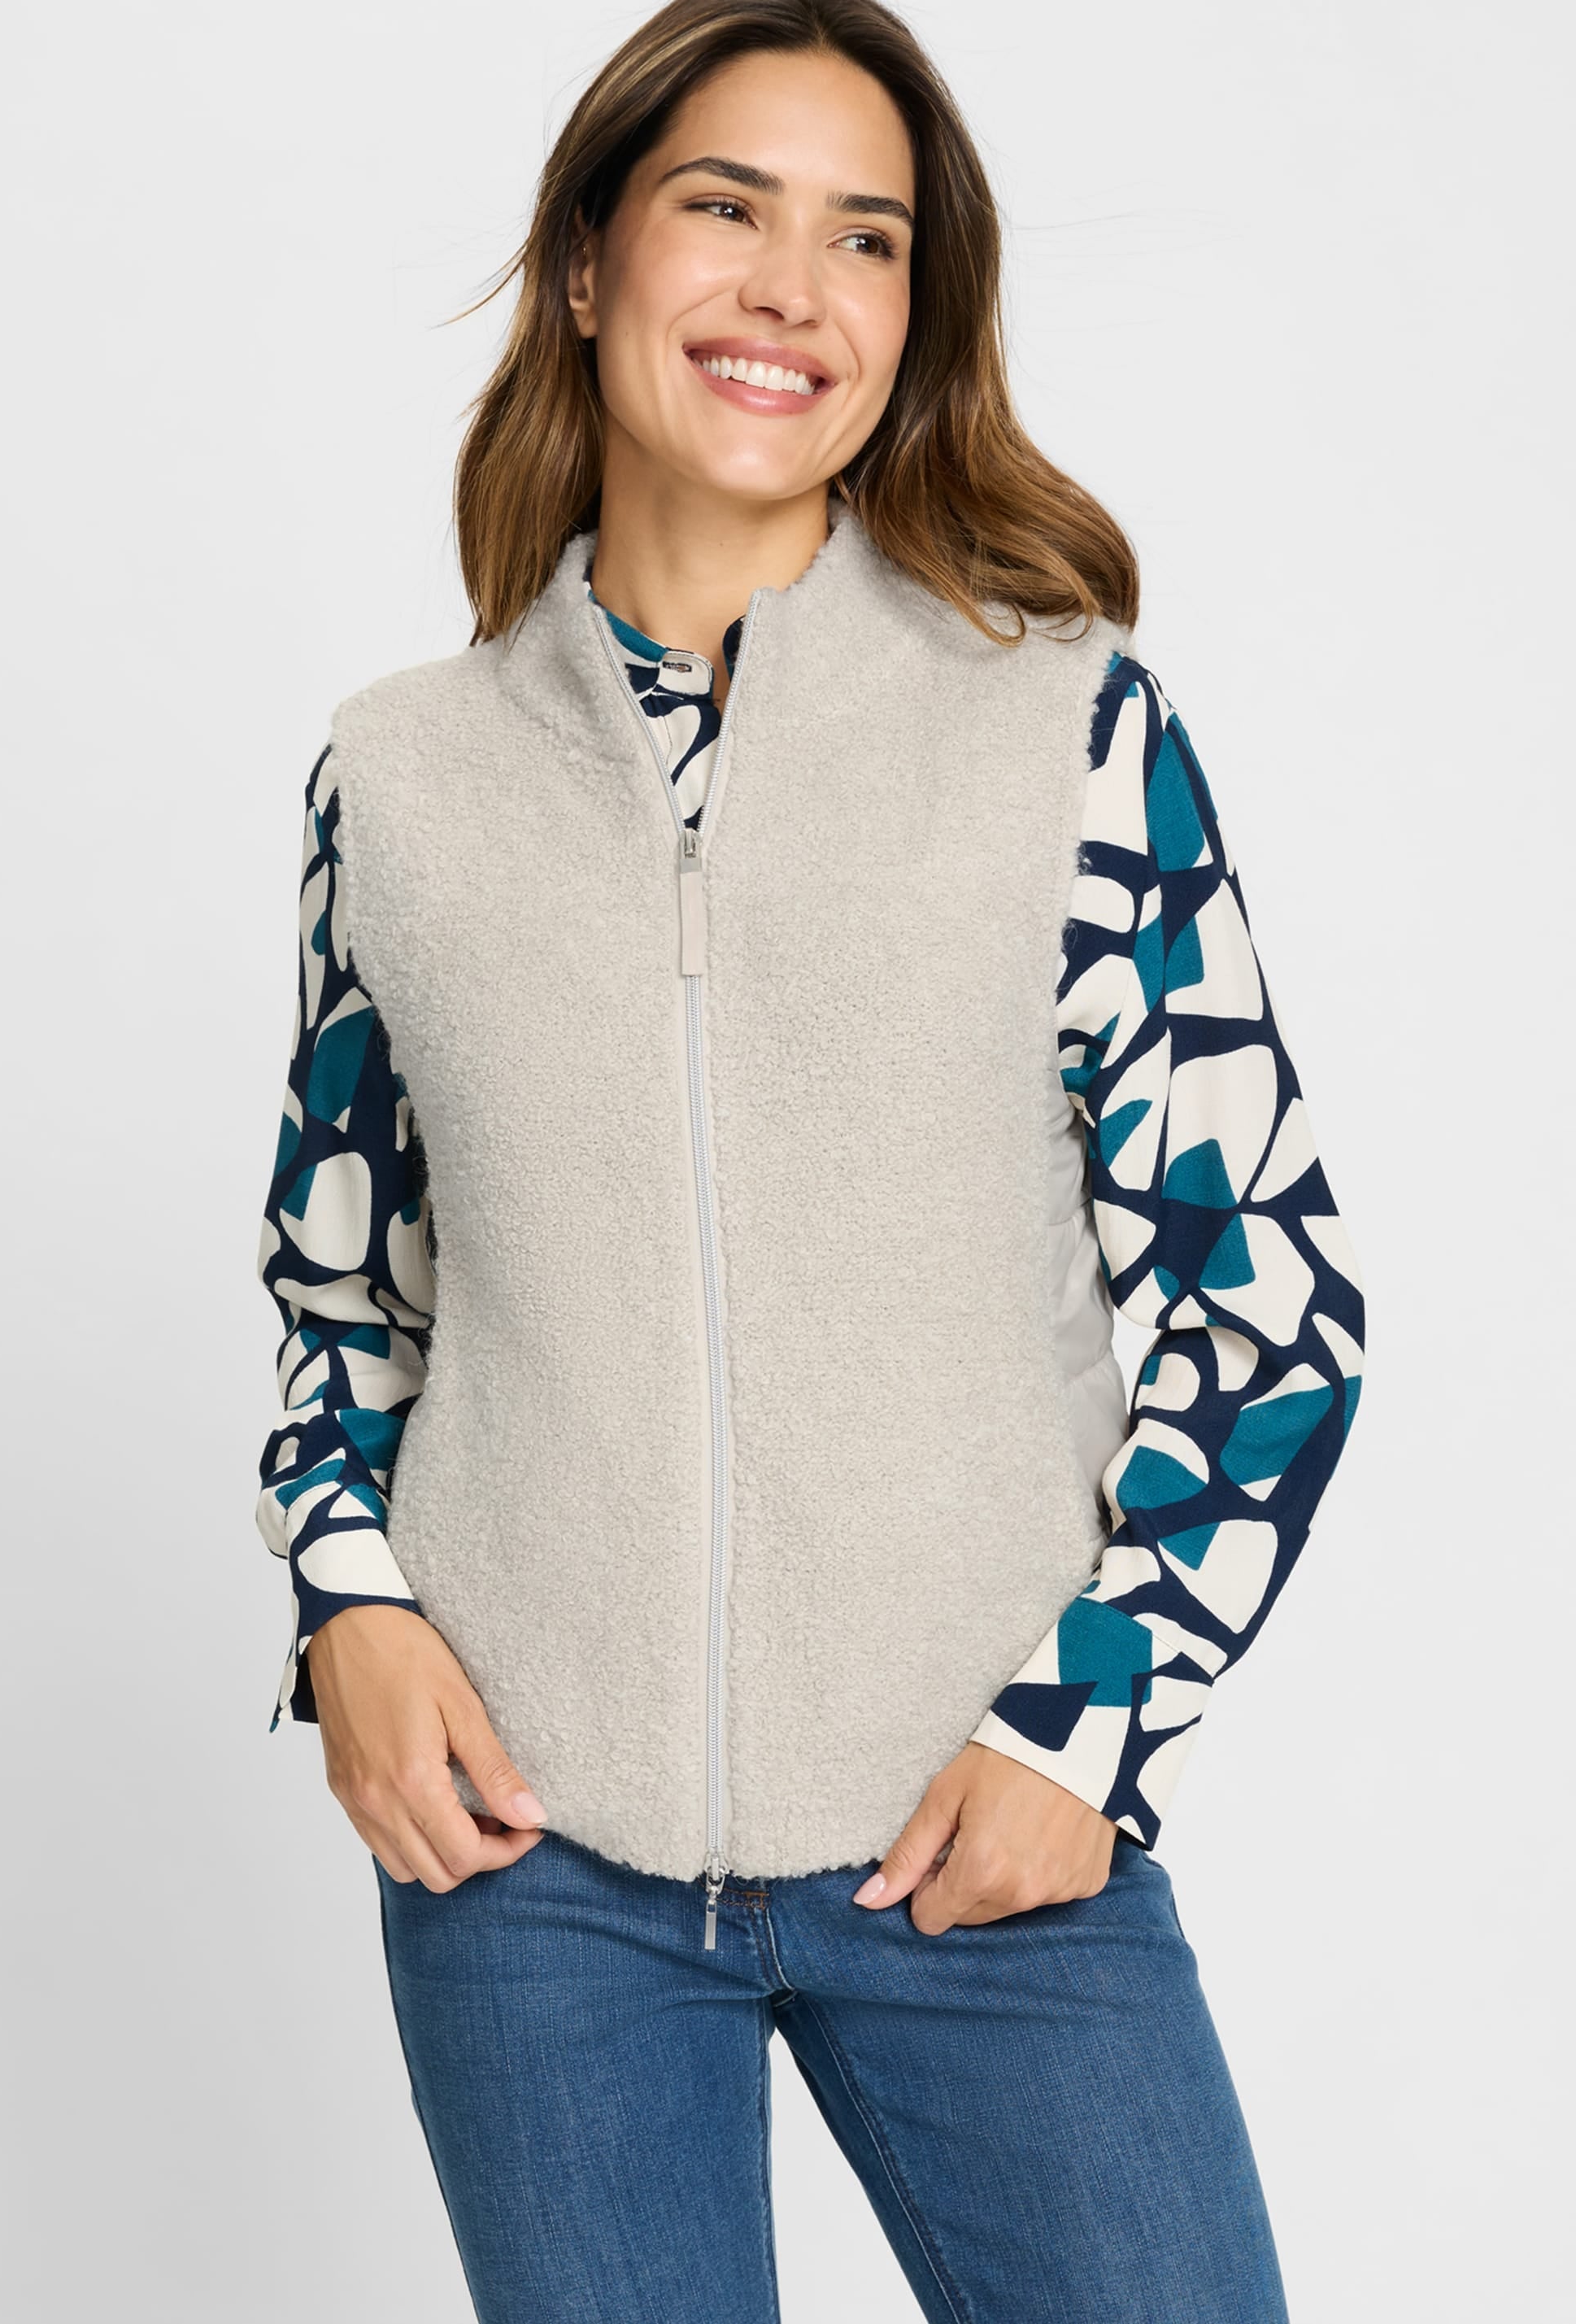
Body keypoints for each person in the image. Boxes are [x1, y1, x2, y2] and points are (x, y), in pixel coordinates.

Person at [252, 4, 1365, 2317]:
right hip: (530, 1868)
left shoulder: (1066, 731)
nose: (793, 285)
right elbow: (345, 1295)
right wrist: (348, 1603)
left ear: (912, 319)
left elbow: (1267, 1299)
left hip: (983, 1833)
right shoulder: (401, 781)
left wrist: (1082, 1725)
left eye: (865, 239)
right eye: (725, 207)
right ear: (588, 260)